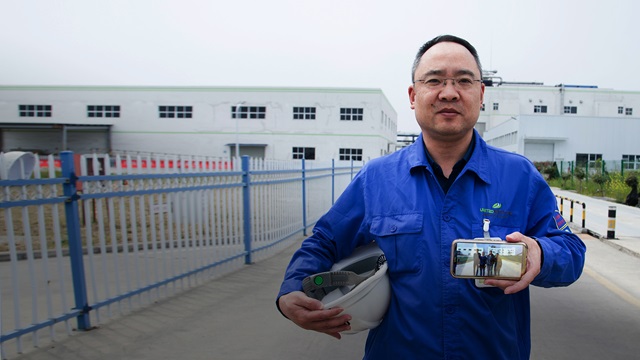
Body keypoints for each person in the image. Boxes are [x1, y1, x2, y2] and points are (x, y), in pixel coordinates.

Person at [276, 34, 586, 359]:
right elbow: (324, 240)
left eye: (463, 81)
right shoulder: (376, 179)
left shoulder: (520, 177)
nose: (449, 92)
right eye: (434, 80)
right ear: (413, 95)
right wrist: (292, 288)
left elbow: (572, 251)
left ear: (481, 95)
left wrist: (541, 253)